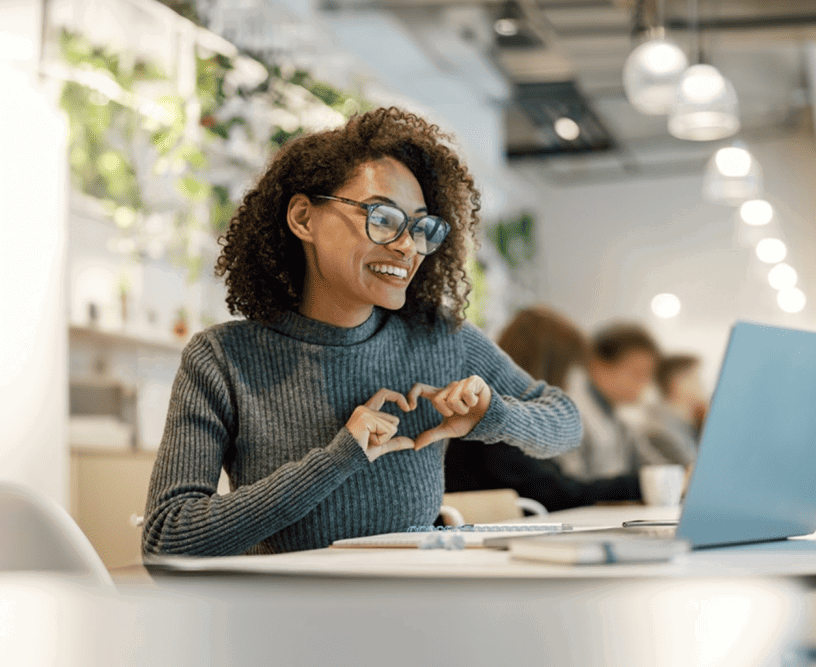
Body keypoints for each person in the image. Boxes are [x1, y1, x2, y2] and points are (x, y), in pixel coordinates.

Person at [142, 108, 582, 557]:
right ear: (303, 218)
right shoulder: (222, 358)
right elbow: (167, 538)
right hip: (283, 616)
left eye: (420, 228)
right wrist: (338, 459)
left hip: (417, 607)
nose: (408, 246)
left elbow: (565, 421)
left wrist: (495, 416)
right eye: (383, 218)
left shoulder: (441, 339)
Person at [445, 307, 642, 511]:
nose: (567, 385)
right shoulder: (496, 415)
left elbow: (557, 486)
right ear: (552, 370)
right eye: (568, 372)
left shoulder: (502, 408)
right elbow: (558, 495)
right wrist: (641, 484)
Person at [554, 322, 660, 481]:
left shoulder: (618, 416)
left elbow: (652, 466)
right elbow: (572, 486)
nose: (645, 383)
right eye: (637, 373)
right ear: (598, 366)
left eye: (647, 375)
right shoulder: (569, 414)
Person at [631, 354, 706, 468]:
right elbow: (693, 470)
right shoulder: (659, 430)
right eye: (694, 377)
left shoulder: (689, 424)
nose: (702, 383)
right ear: (675, 383)